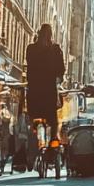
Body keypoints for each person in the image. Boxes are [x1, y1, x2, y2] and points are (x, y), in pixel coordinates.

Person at [26, 23, 65, 154]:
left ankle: (31, 144)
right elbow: (61, 70)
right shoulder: (55, 49)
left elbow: (29, 67)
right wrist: (58, 79)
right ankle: (53, 145)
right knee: (53, 120)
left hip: (34, 92)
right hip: (49, 92)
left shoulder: (31, 48)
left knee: (32, 118)